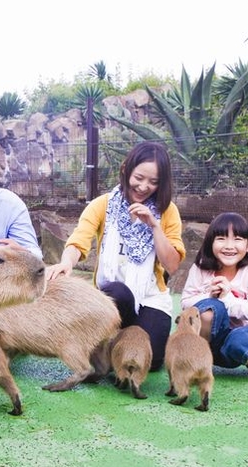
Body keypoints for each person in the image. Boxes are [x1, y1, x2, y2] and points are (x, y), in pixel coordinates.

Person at [47, 141, 186, 371]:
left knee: (152, 361)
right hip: (113, 298)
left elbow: (172, 265)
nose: (143, 187)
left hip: (150, 298)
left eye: (153, 182)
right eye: (139, 177)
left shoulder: (167, 211)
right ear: (126, 170)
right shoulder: (103, 204)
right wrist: (66, 262)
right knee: (119, 292)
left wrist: (154, 226)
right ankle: (106, 341)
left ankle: (110, 345)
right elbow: (80, 239)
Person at [181, 212, 248, 382]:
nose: (229, 246)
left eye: (237, 239)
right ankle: (196, 364)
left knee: (243, 340)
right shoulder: (200, 269)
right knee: (210, 308)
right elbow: (185, 303)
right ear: (210, 243)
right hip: (202, 341)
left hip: (234, 346)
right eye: (221, 238)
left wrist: (227, 298)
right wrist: (210, 296)